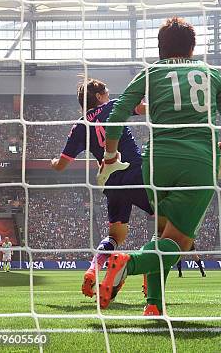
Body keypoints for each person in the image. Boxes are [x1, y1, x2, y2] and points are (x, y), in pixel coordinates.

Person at [96, 17, 221, 315]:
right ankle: (128, 263)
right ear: (192, 48)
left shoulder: (150, 72)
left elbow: (116, 116)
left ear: (160, 48)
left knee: (161, 235)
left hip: (156, 163)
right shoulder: (210, 73)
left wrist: (110, 156)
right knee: (179, 242)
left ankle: (154, 304)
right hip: (196, 162)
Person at [50, 77, 156, 298]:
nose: (109, 94)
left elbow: (60, 165)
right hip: (134, 172)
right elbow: (143, 108)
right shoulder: (113, 106)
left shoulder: (80, 126)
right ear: (99, 97)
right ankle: (148, 279)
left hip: (111, 182)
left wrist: (52, 162)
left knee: (116, 235)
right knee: (166, 223)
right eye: (106, 91)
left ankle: (92, 270)